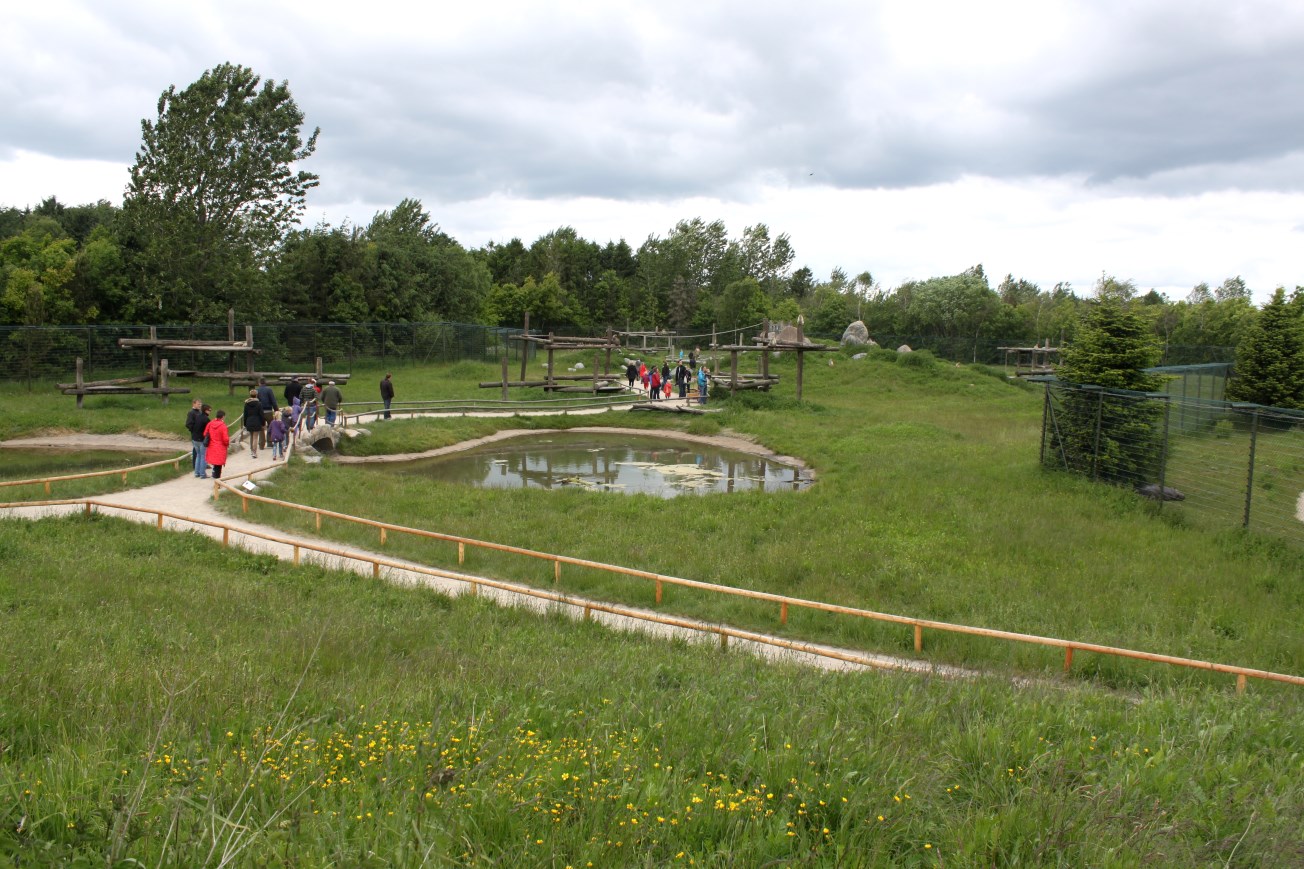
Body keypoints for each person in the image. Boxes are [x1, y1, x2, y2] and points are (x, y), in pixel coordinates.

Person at [203, 410, 230, 480]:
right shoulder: (223, 426)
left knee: (215, 462)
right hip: (220, 446)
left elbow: (205, 433)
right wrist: (227, 444)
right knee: (219, 464)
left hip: (212, 445)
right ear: (223, 417)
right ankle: (217, 479)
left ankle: (214, 474)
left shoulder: (210, 423)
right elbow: (225, 439)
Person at [256, 376, 278, 451]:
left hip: (260, 412)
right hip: (268, 411)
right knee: (270, 426)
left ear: (259, 383)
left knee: (261, 428)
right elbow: (273, 401)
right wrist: (276, 409)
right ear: (265, 382)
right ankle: (269, 442)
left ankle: (261, 444)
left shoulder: (257, 390)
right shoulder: (269, 390)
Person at [242, 389, 265, 459]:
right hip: (257, 421)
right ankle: (254, 452)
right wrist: (263, 423)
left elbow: (245, 414)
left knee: (251, 436)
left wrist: (245, 423)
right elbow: (261, 414)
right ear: (256, 395)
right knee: (255, 437)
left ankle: (251, 450)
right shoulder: (259, 404)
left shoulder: (246, 404)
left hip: (249, 421)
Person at [185, 398, 203, 475]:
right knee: (196, 450)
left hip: (201, 434)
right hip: (195, 434)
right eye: (198, 404)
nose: (200, 405)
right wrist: (194, 430)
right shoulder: (191, 413)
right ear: (194, 404)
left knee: (200, 450)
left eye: (200, 404)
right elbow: (188, 424)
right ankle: (195, 465)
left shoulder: (200, 412)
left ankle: (201, 465)